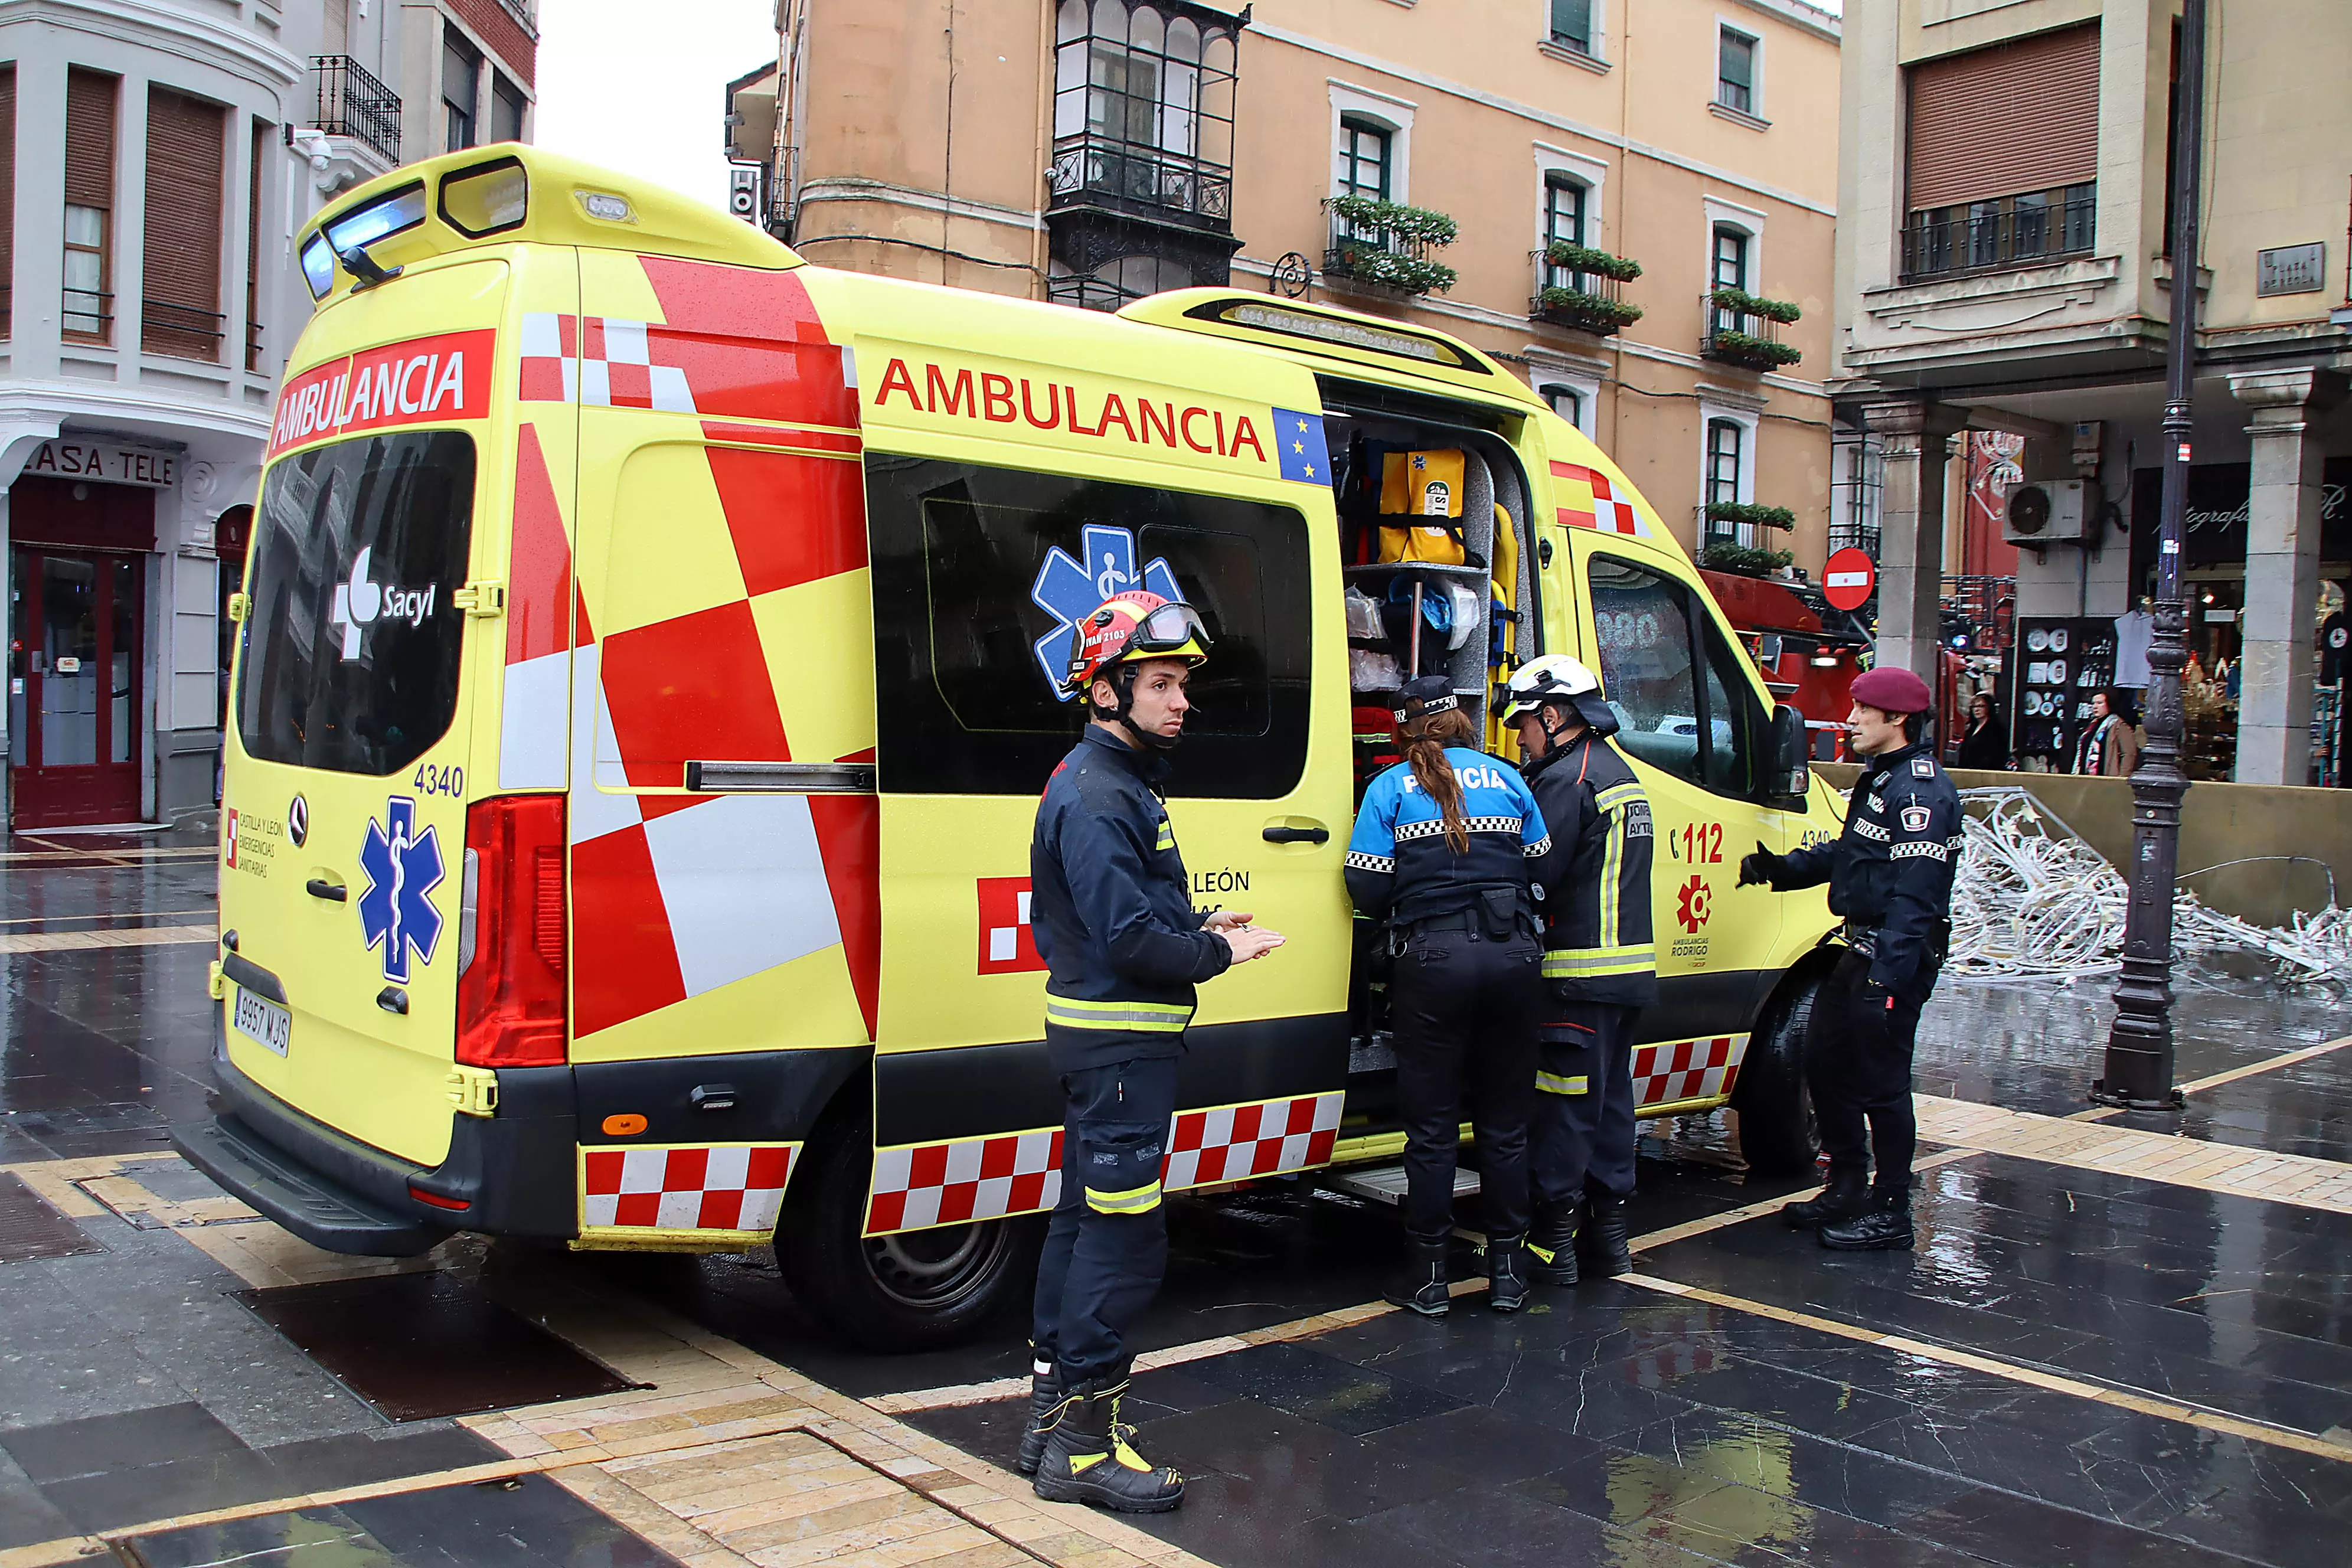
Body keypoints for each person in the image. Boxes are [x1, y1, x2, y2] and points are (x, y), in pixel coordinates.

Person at [1023, 590, 1284, 1514]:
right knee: (1125, 1239)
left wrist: (1196, 921)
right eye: (1161, 684)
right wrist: (1217, 951)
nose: (1181, 702)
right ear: (1104, 692)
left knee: (1081, 1224)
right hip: (1123, 1051)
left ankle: (1052, 1422)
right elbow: (1129, 939)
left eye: (1182, 685)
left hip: (1109, 1046)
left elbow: (1117, 917)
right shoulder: (1100, 793)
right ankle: (1084, 1452)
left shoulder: (1112, 781)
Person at [1345, 675, 1551, 1317]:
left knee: (1432, 1130)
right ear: (1461, 719)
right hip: (1514, 960)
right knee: (1506, 1127)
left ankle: (1429, 1275)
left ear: (1406, 727)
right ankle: (1510, 1275)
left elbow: (1367, 887)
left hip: (1432, 965)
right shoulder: (1510, 779)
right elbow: (1542, 865)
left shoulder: (1388, 788)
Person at [1737, 667, 1960, 1250]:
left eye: (1865, 710)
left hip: (1891, 955)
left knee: (1882, 1084)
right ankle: (1847, 1185)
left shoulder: (1921, 791)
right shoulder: (1880, 780)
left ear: (1898, 721)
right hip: (1858, 947)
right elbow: (1851, 853)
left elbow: (1916, 894)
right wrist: (1781, 869)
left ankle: (1891, 1211)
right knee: (1826, 1063)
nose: (1852, 718)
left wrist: (1887, 981)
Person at [1501, 655, 1656, 1285]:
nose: (1518, 737)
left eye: (1524, 723)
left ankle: (1551, 1245)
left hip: (1575, 977)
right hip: (1625, 979)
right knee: (1611, 1103)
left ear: (1555, 715)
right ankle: (1609, 1240)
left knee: (1563, 1108)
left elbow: (1537, 871)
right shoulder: (1618, 772)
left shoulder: (1568, 781)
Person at [2073, 690, 2138, 776]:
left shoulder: (2120, 726)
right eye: (2093, 703)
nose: (2095, 707)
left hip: (2106, 775)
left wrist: (2122, 777)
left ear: (2109, 704)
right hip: (2086, 777)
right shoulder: (2092, 726)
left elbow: (2129, 753)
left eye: (2100, 703)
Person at [1956, 692, 2008, 772]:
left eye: (1981, 706)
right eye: (1974, 707)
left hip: (1987, 773)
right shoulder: (1971, 730)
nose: (1976, 710)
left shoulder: (1997, 729)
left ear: (1989, 708)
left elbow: (1998, 756)